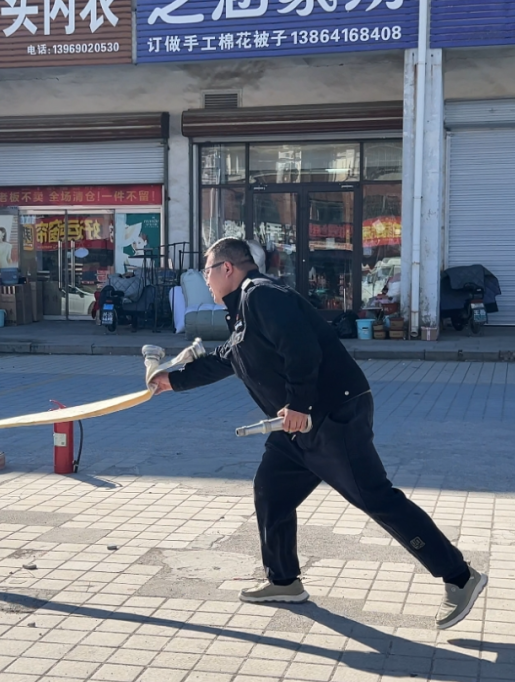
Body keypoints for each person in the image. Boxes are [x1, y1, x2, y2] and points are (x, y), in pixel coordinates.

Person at [150, 237, 487, 630]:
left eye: (206, 270)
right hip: (297, 428)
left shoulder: (261, 295)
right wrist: (172, 381)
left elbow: (302, 348)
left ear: (228, 268)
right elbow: (229, 357)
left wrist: (298, 404)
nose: (204, 278)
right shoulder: (242, 311)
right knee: (271, 490)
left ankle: (460, 577)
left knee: (375, 497)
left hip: (330, 415)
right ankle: (283, 580)